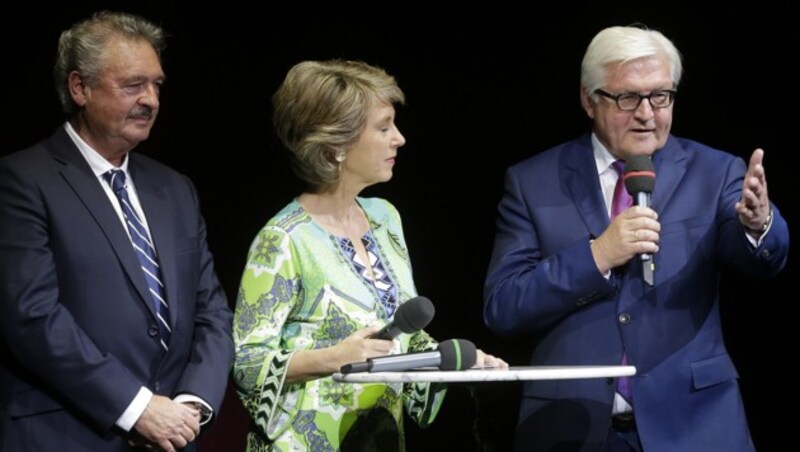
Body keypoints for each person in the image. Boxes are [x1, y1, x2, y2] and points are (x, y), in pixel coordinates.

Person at [483, 24, 789, 452]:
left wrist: (758, 226)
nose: (647, 113)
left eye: (660, 96)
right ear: (589, 100)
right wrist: (597, 256)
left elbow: (760, 260)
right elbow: (503, 308)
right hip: (572, 429)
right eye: (628, 98)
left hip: (695, 427)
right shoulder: (533, 181)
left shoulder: (714, 171)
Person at [232, 59, 507, 451]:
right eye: (383, 127)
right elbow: (246, 365)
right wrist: (334, 357)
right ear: (336, 146)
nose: (399, 138)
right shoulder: (282, 240)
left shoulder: (385, 218)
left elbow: (404, 340)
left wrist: (460, 363)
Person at [0, 11, 234, 452]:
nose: (151, 100)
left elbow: (212, 313)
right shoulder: (20, 180)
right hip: (68, 434)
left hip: (174, 436)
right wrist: (138, 408)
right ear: (79, 88)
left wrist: (191, 402)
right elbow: (31, 316)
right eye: (133, 85)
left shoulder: (175, 189)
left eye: (157, 85)